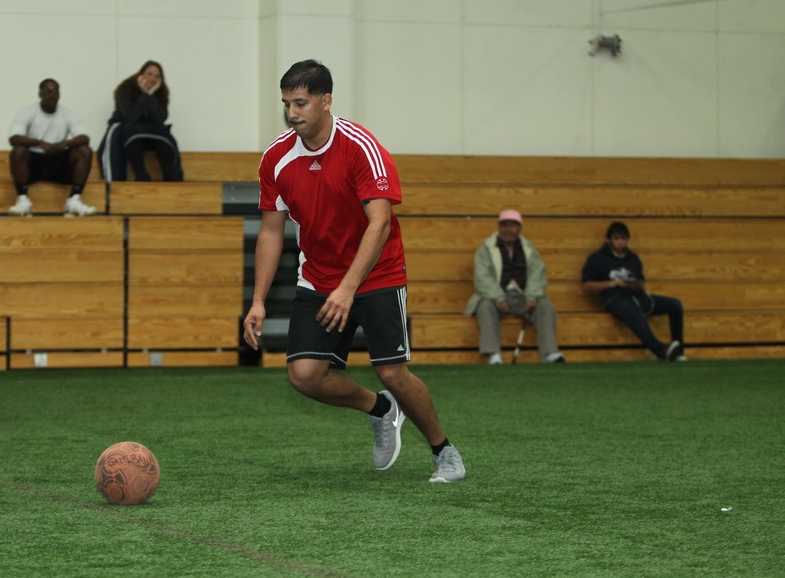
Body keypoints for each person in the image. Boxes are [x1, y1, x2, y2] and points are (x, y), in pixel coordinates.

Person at [243, 59, 465, 483]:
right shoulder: (275, 158)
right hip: (318, 278)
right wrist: (257, 302)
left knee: (392, 372)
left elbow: (379, 223)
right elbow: (271, 233)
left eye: (302, 103)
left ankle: (444, 452)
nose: (293, 113)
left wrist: (348, 289)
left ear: (326, 101)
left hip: (377, 274)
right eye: (287, 103)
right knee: (305, 376)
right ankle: (380, 409)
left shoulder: (361, 147)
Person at [464, 209, 565, 364]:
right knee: (484, 306)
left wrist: (531, 296)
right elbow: (482, 278)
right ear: (499, 227)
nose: (508, 230)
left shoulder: (529, 249)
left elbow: (537, 274)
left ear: (520, 228)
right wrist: (499, 298)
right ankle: (493, 354)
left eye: (513, 226)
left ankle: (550, 353)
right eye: (504, 226)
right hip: (496, 297)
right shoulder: (486, 249)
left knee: (545, 305)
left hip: (523, 296)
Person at [581, 221, 687, 361]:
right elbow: (586, 286)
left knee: (675, 305)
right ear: (609, 240)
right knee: (631, 311)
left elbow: (641, 281)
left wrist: (635, 284)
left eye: (624, 238)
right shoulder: (597, 258)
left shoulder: (633, 258)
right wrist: (613, 283)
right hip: (614, 298)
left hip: (637, 295)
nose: (620, 242)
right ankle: (660, 350)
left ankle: (677, 350)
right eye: (617, 238)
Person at [7, 78, 96, 216]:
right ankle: (23, 201)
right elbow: (14, 138)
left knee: (84, 150)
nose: (51, 95)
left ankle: (74, 200)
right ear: (40, 94)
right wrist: (40, 143)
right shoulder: (27, 112)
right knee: (18, 151)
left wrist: (64, 144)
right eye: (47, 92)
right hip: (34, 163)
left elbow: (84, 137)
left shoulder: (67, 114)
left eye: (55, 92)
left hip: (58, 163)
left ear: (59, 95)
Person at [99, 60, 183, 182]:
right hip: (127, 131)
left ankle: (172, 179)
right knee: (134, 139)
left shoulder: (161, 93)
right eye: (149, 74)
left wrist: (151, 96)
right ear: (141, 74)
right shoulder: (125, 88)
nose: (152, 78)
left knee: (164, 141)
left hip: (149, 132)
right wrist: (144, 96)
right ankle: (141, 175)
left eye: (157, 76)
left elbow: (160, 119)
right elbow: (131, 117)